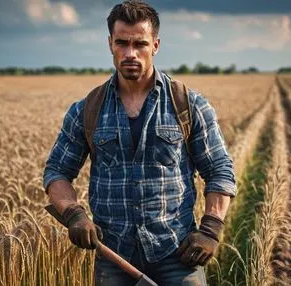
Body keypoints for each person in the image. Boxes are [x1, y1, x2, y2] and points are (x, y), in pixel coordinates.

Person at [43, 1, 236, 285]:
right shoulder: (87, 109)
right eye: (122, 43)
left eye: (140, 44)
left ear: (155, 45)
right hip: (113, 257)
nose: (130, 53)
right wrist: (74, 215)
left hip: (177, 256)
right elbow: (57, 171)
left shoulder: (188, 105)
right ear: (110, 44)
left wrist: (210, 229)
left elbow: (219, 169)